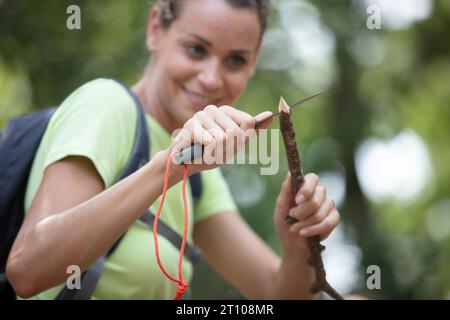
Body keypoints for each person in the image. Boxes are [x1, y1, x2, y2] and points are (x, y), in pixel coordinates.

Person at [6, 0, 340, 300]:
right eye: (196, 49)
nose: (211, 78)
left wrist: (298, 242)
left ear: (254, 62)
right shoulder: (107, 106)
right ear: (156, 30)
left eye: (236, 60)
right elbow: (26, 270)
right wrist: (170, 167)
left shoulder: (200, 178)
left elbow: (274, 294)